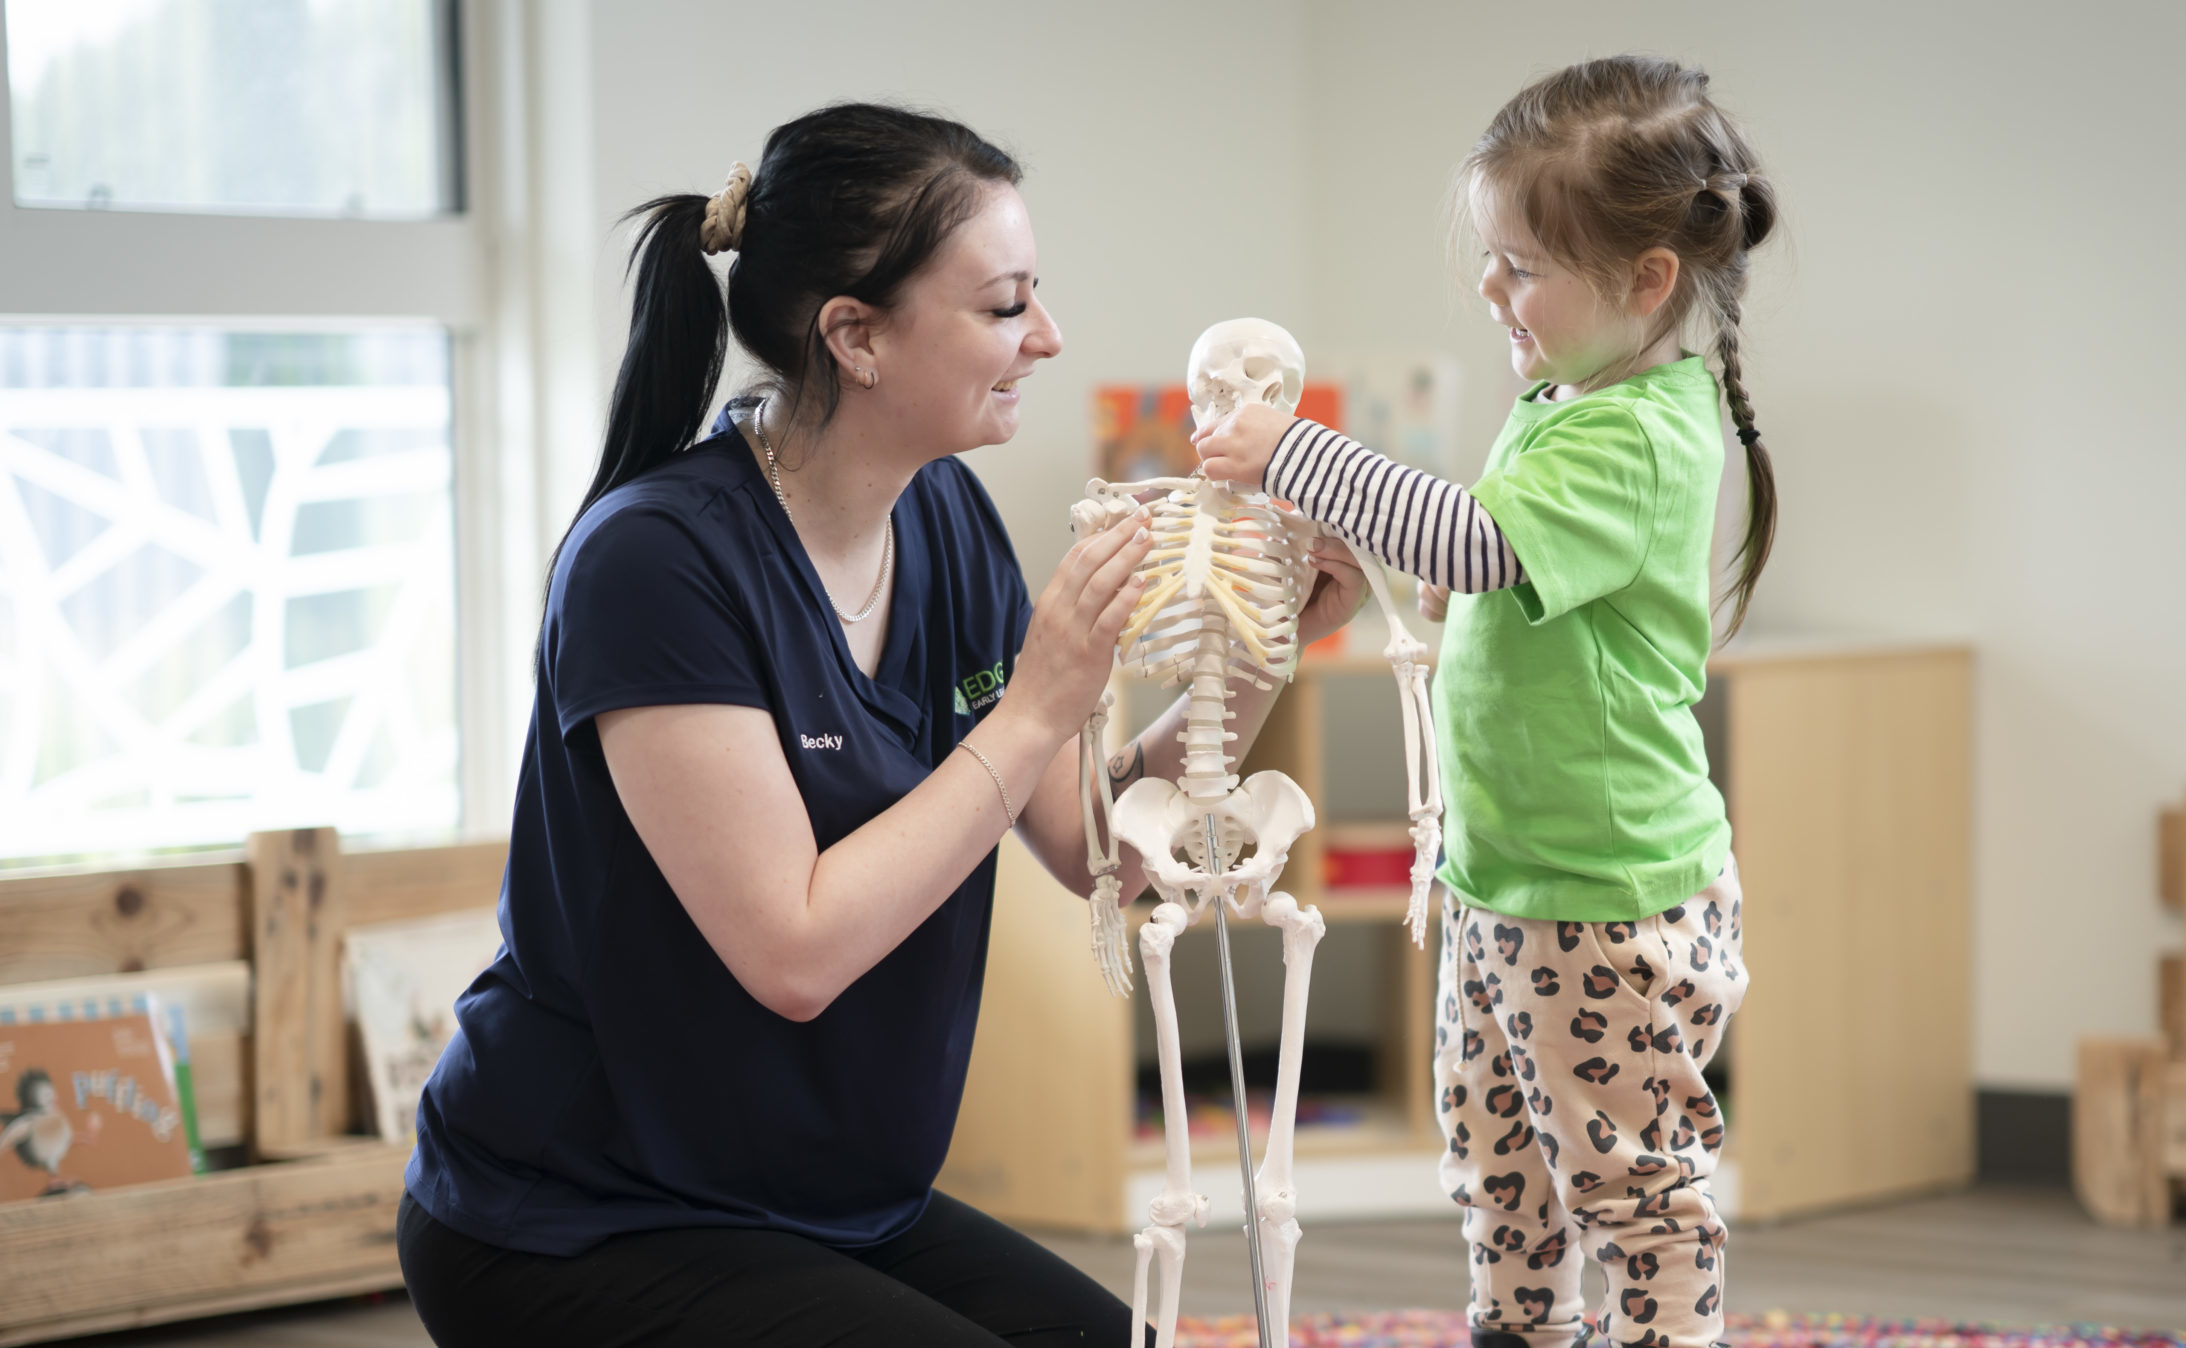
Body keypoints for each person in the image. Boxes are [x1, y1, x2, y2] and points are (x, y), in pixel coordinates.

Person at [396, 101, 1366, 1347]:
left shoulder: (947, 521)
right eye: (1007, 305)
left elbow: (1095, 853)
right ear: (853, 335)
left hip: (833, 1199)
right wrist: (1031, 711)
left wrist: (1257, 648)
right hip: (580, 1215)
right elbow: (793, 952)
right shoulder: (651, 565)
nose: (1049, 337)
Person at [1193, 55, 1778, 1348]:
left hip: (1607, 899)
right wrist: (1373, 562)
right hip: (1507, 882)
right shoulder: (1566, 400)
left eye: (1522, 264)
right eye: (1493, 258)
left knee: (1632, 1189)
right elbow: (1498, 584)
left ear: (1647, 281)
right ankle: (1518, 1328)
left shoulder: (1644, 435)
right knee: (1501, 1171)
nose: (1490, 287)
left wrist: (1298, 450)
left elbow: (1473, 544)